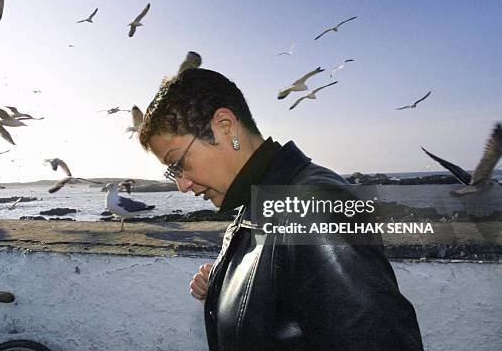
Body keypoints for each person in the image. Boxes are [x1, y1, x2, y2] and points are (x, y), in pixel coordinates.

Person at [139, 68, 424, 350]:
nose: (182, 185)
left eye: (178, 164)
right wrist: (222, 287)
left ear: (225, 126)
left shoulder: (314, 207)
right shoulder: (258, 204)